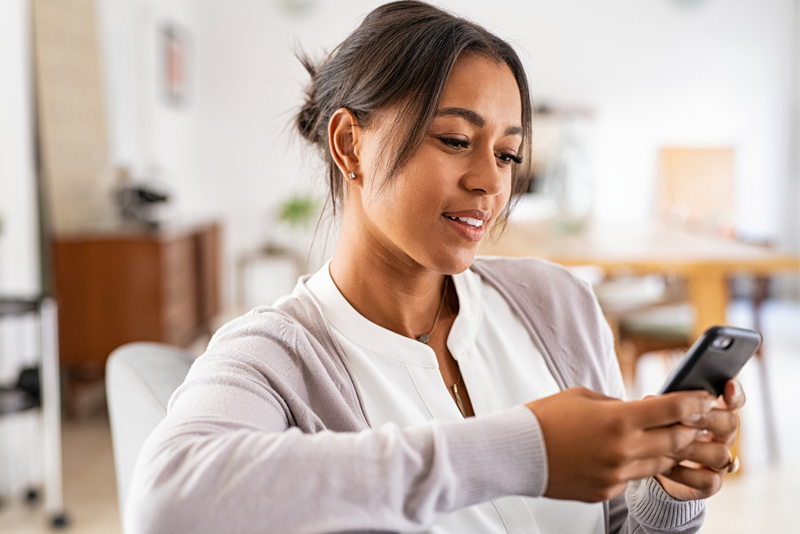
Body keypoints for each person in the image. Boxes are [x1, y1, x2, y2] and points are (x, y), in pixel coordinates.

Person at [126, 2, 745, 533]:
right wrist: (526, 452)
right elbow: (166, 505)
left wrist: (665, 497)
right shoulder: (277, 355)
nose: (488, 183)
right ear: (349, 144)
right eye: (454, 140)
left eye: (507, 154)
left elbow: (613, 525)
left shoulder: (558, 303)